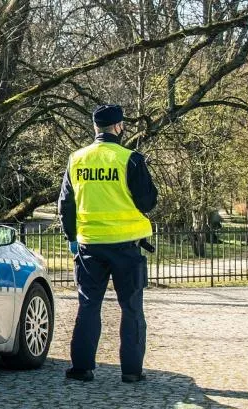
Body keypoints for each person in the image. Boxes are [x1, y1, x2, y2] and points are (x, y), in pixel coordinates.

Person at [57, 104, 157, 383]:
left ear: (95, 128)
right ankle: (132, 371)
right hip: (126, 245)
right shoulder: (131, 159)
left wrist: (72, 238)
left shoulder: (76, 159)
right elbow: (148, 201)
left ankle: (81, 368)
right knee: (131, 307)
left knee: (88, 305)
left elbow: (66, 204)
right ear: (118, 127)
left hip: (90, 245)